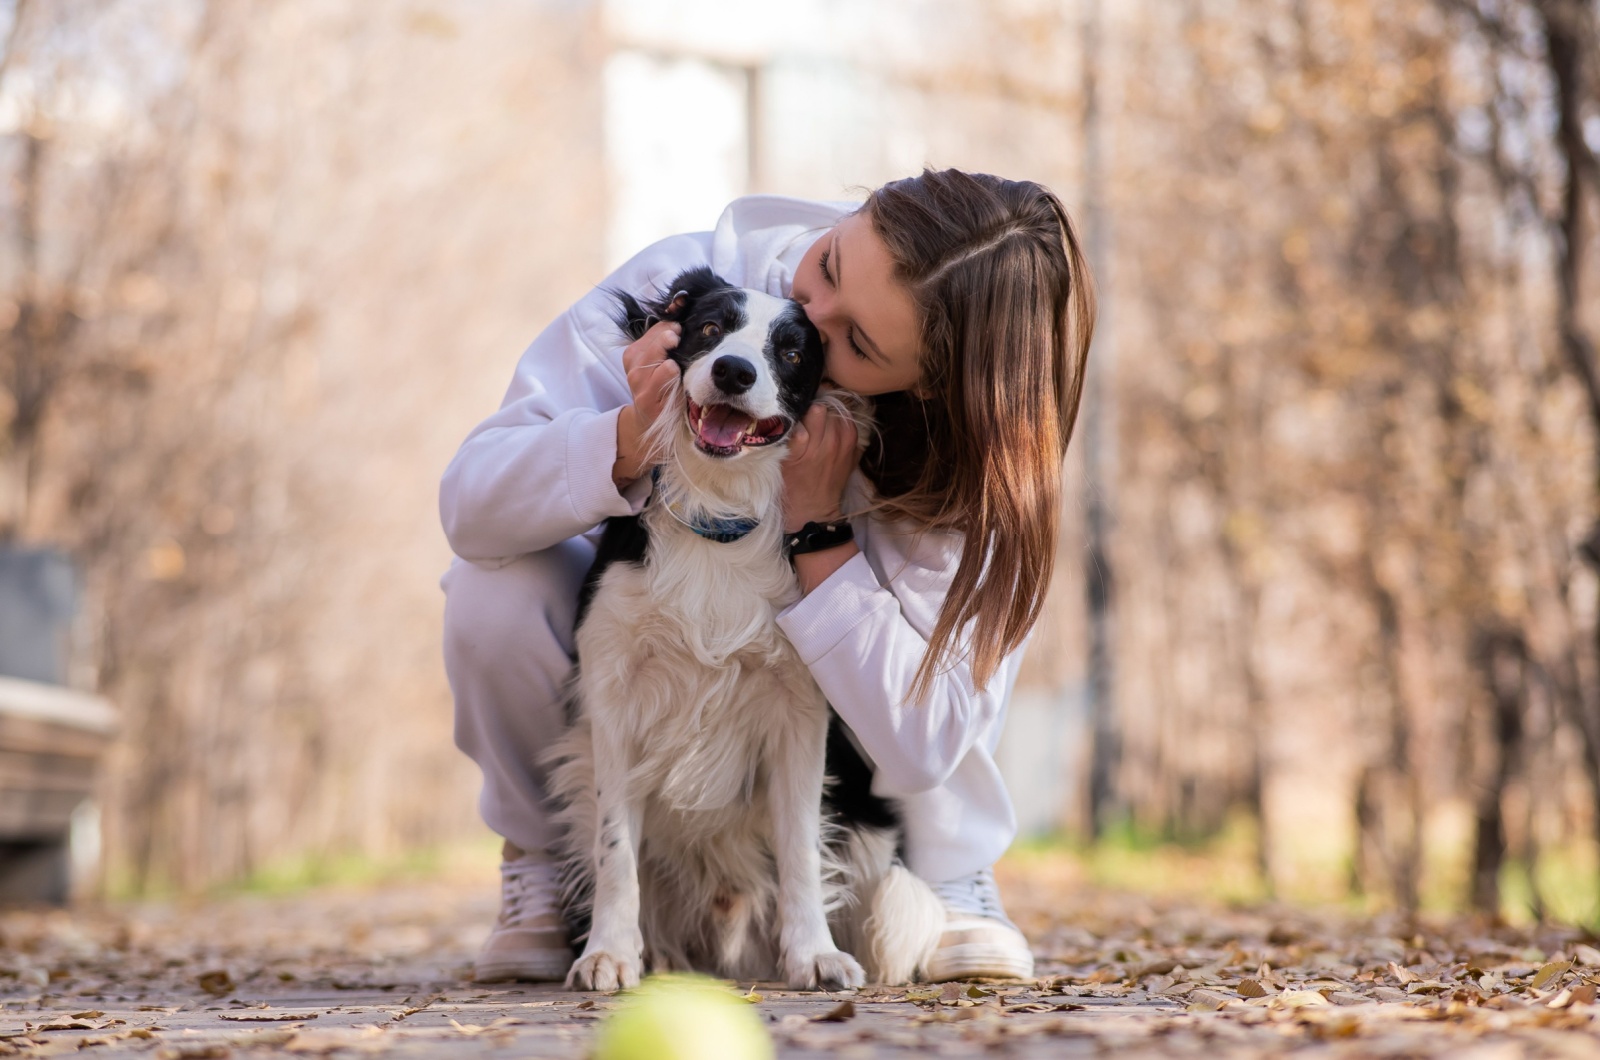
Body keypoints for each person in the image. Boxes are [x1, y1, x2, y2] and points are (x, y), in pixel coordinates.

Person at [439, 168, 1095, 984]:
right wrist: (627, 435)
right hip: (655, 622)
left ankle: (949, 871)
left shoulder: (969, 450)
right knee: (490, 588)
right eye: (827, 266)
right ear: (854, 213)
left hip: (850, 747)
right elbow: (470, 504)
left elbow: (927, 736)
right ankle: (544, 864)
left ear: (927, 381)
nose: (812, 320)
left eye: (856, 343)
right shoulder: (683, 287)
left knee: (920, 668)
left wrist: (819, 532)